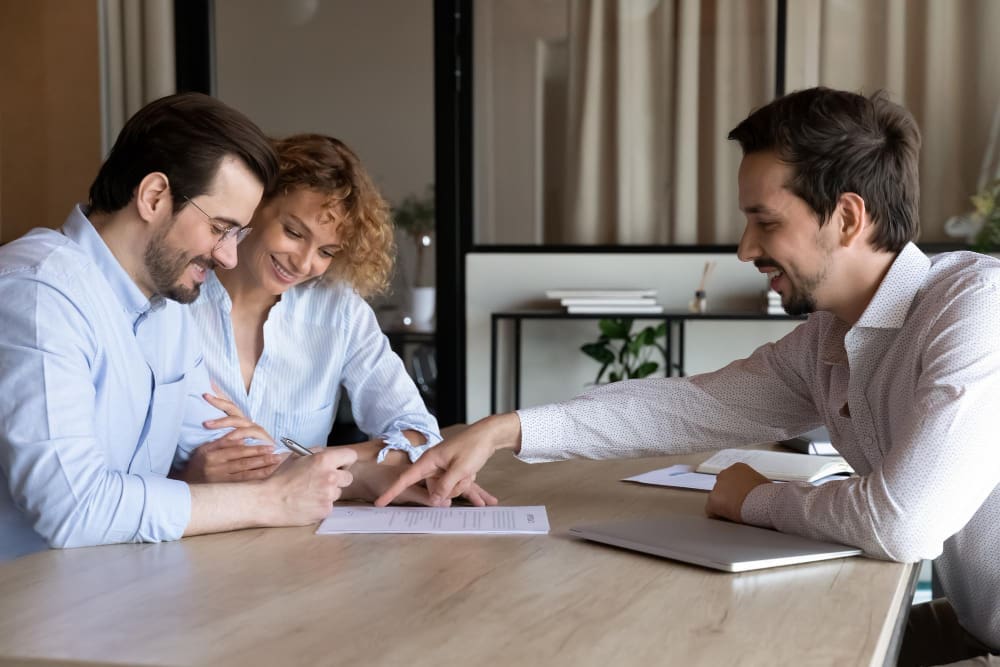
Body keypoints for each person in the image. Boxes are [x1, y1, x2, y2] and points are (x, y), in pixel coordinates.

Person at [377, 87, 1000, 664]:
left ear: (846, 217)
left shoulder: (977, 308)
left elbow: (903, 522)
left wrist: (754, 499)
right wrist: (506, 428)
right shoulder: (829, 338)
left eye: (767, 221)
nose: (744, 249)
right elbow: (690, 405)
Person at [0, 93, 358, 561]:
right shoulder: (38, 293)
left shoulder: (167, 312)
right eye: (220, 228)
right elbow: (74, 506)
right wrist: (272, 500)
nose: (229, 256)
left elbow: (231, 447)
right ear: (153, 197)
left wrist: (380, 476)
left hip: (125, 597)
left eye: (238, 235)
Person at [176, 133, 495, 507]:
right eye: (293, 232)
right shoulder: (176, 301)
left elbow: (420, 436)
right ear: (254, 203)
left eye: (326, 251)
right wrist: (186, 477)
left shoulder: (338, 310)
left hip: (301, 544)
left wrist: (310, 462)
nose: (304, 262)